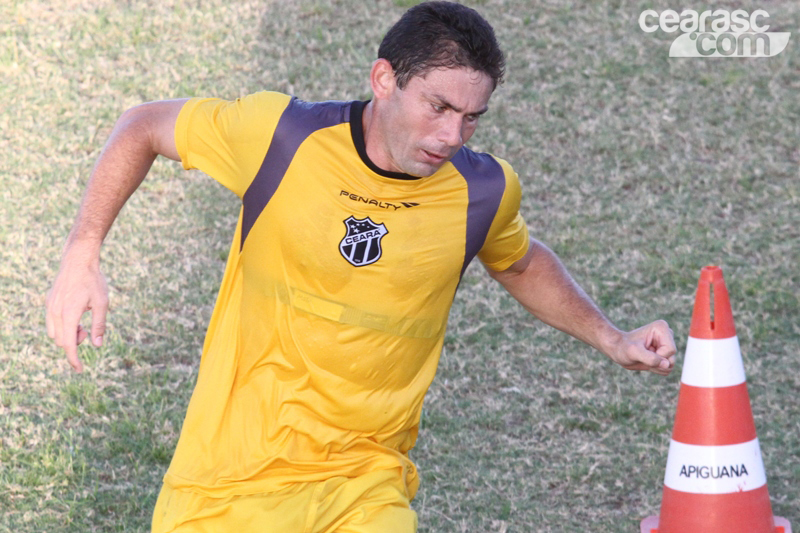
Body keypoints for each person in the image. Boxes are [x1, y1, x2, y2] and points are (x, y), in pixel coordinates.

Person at [45, 2, 676, 531]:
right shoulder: (282, 138)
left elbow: (517, 262)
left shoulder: (481, 192)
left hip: (365, 481)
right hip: (229, 478)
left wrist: (610, 336)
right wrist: (82, 254)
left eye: (471, 116)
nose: (453, 135)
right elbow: (145, 126)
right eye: (438, 107)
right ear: (383, 79)